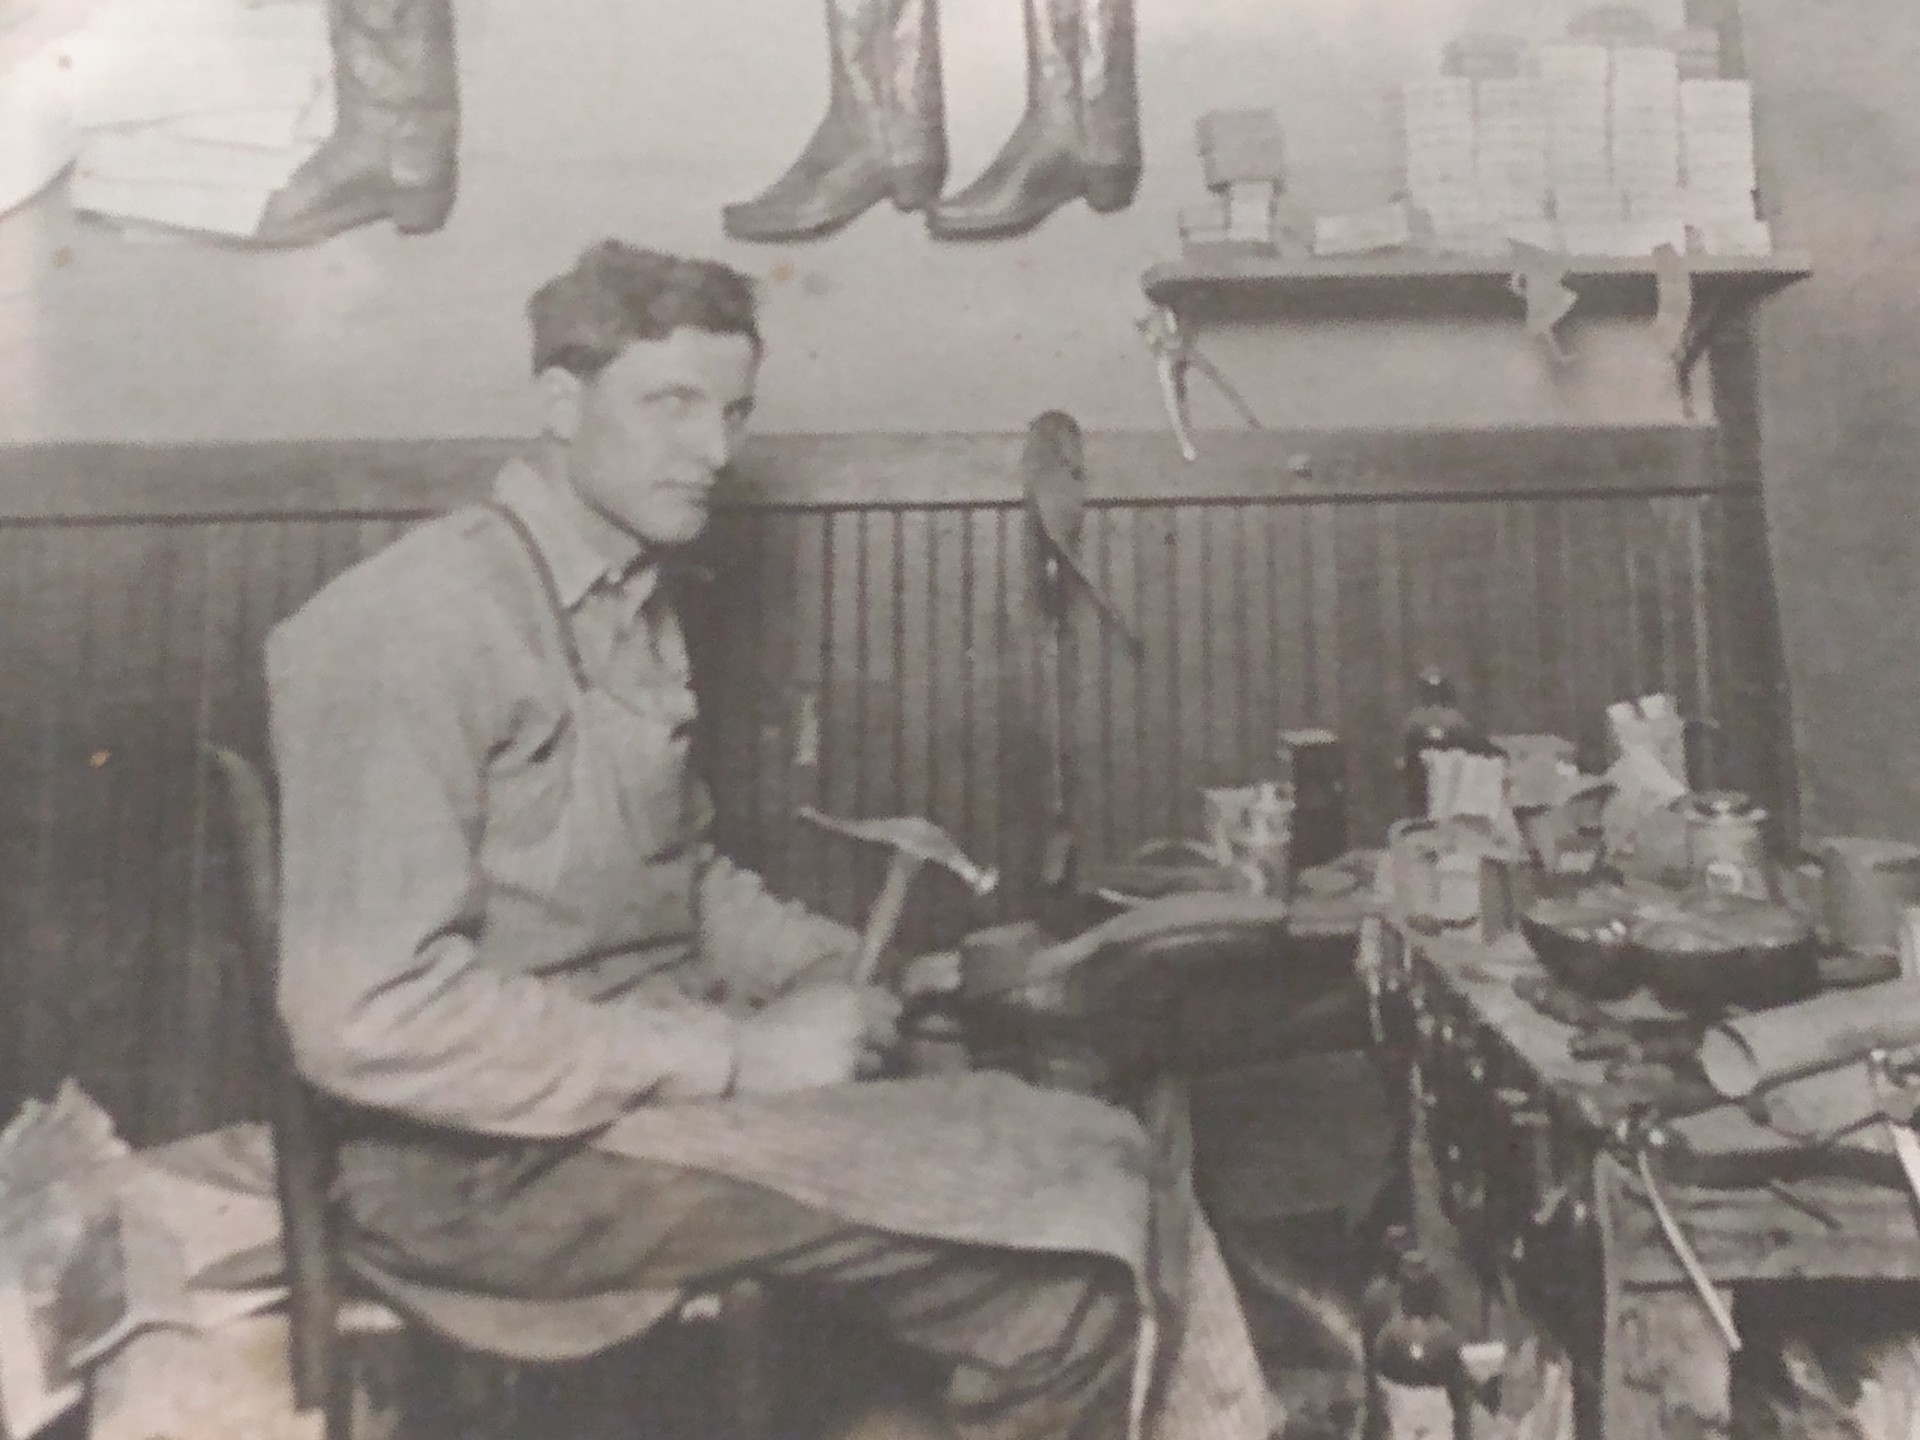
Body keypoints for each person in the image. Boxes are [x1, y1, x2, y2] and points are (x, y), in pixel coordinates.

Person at [266, 239, 1271, 1440]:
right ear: (559, 402)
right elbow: (367, 1017)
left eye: (734, 412)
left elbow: (678, 878)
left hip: (612, 1115)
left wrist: (841, 972)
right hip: (475, 1171)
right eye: (671, 404)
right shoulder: (412, 626)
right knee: (1071, 1272)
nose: (714, 450)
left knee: (1095, 1139)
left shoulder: (625, 596)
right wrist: (738, 1058)